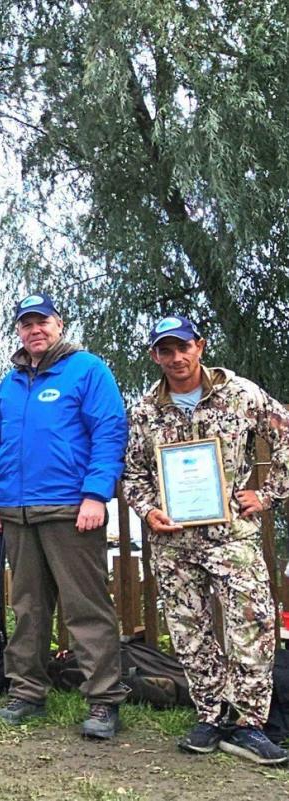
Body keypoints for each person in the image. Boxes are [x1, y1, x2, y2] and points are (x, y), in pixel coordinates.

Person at [122, 315, 289, 764]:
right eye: (165, 350)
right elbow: (133, 474)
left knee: (250, 627)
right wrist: (147, 509)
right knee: (189, 632)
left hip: (231, 536)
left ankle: (250, 725)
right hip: (174, 542)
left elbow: (286, 433)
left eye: (183, 347)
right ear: (155, 356)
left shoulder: (242, 394)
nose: (176, 358)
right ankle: (209, 716)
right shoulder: (144, 411)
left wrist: (269, 493)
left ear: (200, 346)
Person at [0, 293, 128, 740]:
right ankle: (26, 692)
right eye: (26, 324)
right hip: (17, 513)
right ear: (19, 332)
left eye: (41, 321)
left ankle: (103, 700)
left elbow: (109, 431)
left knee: (85, 608)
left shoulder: (87, 370)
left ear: (58, 324)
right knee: (27, 608)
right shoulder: (10, 382)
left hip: (71, 509)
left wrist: (96, 494)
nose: (34, 330)